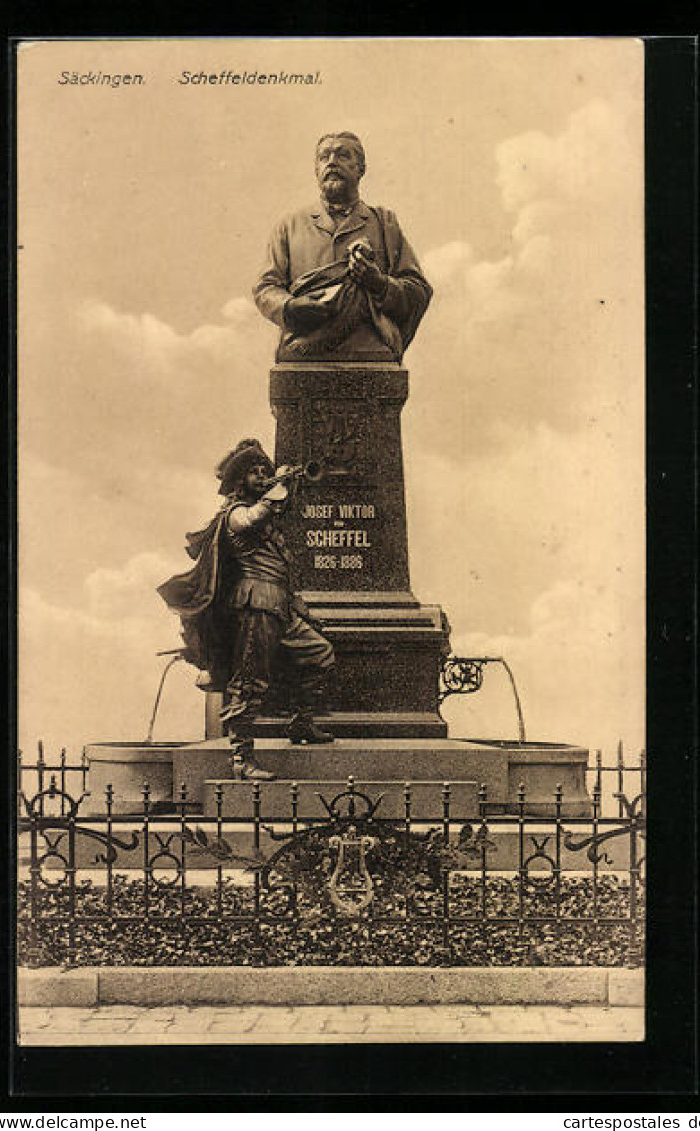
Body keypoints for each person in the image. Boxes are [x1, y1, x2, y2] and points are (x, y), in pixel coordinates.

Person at [157, 439, 335, 780]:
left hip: (278, 606)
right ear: (239, 480)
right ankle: (241, 759)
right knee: (249, 681)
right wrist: (279, 485)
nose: (260, 476)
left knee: (320, 654)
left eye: (263, 471)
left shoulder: (268, 513)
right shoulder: (235, 513)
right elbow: (253, 518)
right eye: (252, 472)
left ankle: (301, 722)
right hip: (254, 606)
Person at [253, 132, 432, 362]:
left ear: (361, 169)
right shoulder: (290, 226)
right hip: (302, 353)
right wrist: (289, 307)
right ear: (316, 170)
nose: (332, 161)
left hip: (370, 353)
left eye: (343, 155)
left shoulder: (384, 224)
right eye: (324, 157)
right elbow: (265, 287)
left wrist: (379, 284)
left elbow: (418, 291)